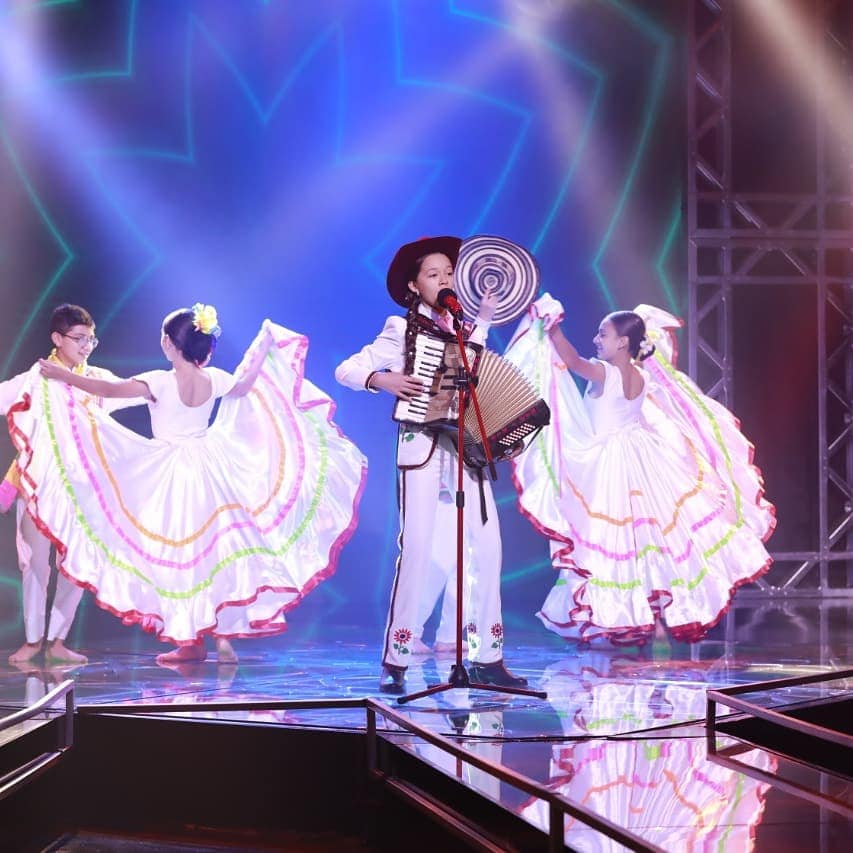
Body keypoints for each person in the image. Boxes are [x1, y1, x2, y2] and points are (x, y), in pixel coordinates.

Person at [14, 304, 366, 663]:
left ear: (169, 343)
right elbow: (245, 385)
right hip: (209, 468)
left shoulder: (160, 380)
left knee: (185, 560)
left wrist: (66, 377)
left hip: (173, 474)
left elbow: (109, 389)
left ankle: (192, 640)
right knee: (218, 554)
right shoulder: (213, 377)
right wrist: (263, 348)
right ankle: (219, 640)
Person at [505, 295, 775, 644]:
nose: (596, 339)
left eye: (603, 334)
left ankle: (617, 615)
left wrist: (553, 328)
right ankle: (654, 618)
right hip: (640, 458)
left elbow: (571, 361)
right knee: (646, 543)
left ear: (622, 342)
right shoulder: (642, 376)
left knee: (613, 541)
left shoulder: (605, 372)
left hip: (610, 465)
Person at [335, 236, 526, 693]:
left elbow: (474, 366)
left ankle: (488, 657)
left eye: (449, 272)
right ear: (414, 285)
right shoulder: (400, 329)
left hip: (464, 449)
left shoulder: (461, 328)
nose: (444, 280)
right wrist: (381, 379)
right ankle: (396, 658)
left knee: (488, 547)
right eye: (433, 274)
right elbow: (346, 369)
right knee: (417, 548)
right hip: (421, 444)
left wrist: (483, 317)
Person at [0, 303, 141, 664]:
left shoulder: (95, 379)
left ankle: (57, 641)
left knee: (75, 565)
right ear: (57, 338)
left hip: (83, 489)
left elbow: (136, 391)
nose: (86, 345)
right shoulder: (35, 378)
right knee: (34, 564)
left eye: (91, 339)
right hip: (38, 486)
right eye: (79, 338)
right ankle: (33, 640)